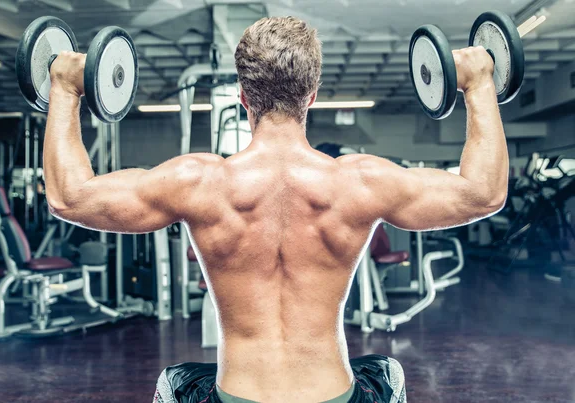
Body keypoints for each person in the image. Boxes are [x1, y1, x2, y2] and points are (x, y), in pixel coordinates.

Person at [43, 16, 508, 403]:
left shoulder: (200, 182)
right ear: (312, 96)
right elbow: (483, 192)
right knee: (388, 374)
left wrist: (65, 87)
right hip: (334, 392)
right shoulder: (360, 181)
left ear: (244, 98)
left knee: (175, 384)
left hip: (236, 393)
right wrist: (480, 81)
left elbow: (69, 196)